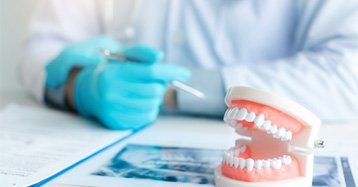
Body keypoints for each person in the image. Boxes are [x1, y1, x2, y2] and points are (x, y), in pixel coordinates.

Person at [20, 0, 358, 130]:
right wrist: (79, 87)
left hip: (251, 143)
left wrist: (173, 92)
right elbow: (42, 48)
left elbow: (348, 73)